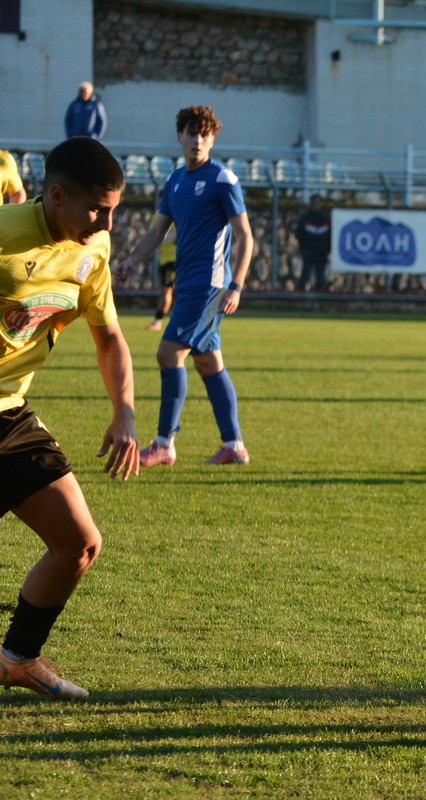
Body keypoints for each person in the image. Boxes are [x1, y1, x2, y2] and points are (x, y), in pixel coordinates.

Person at [0, 137, 139, 700]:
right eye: (97, 210)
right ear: (57, 196)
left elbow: (110, 338)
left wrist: (124, 413)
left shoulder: (93, 251)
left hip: (10, 415)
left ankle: (17, 659)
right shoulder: (5, 236)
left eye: (113, 210)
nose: (107, 223)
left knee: (79, 544)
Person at [114, 105, 253, 466]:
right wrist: (132, 260)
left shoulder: (223, 180)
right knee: (207, 362)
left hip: (209, 285)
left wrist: (236, 286)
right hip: (187, 283)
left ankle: (164, 444)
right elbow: (158, 231)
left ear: (213, 139)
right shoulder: (175, 180)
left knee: (168, 353)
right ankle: (234, 446)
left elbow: (245, 236)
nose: (198, 141)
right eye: (192, 133)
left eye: (205, 135)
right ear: (180, 136)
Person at [294, 194, 332, 292]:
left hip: (322, 254)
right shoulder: (305, 218)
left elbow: (331, 236)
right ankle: (300, 297)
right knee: (305, 277)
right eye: (313, 203)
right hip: (309, 254)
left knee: (320, 278)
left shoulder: (326, 219)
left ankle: (320, 298)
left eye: (317, 203)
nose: (315, 205)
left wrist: (327, 250)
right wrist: (304, 249)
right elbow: (299, 234)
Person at [146, 212, 176, 332]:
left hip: (174, 259)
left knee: (167, 290)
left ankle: (158, 320)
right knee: (166, 290)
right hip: (164, 260)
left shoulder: (180, 212)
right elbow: (154, 234)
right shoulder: (158, 215)